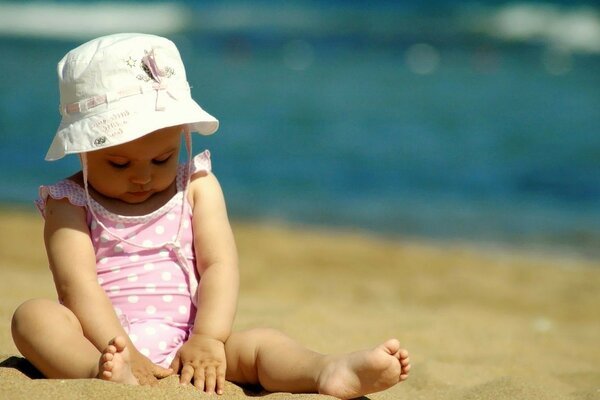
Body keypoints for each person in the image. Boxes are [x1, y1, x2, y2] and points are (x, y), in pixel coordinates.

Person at [11, 33, 410, 398]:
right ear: (82, 150)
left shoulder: (198, 187)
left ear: (182, 134)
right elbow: (77, 287)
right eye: (118, 164)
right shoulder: (69, 201)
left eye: (163, 158)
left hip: (191, 343)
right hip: (103, 342)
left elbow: (219, 265)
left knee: (262, 344)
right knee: (33, 317)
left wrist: (208, 337)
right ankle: (97, 374)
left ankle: (327, 371)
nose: (143, 175)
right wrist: (123, 350)